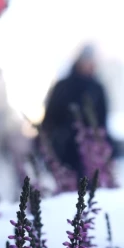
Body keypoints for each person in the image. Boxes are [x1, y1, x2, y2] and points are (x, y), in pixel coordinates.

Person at [39, 45, 109, 180]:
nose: (89, 65)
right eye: (87, 61)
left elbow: (103, 121)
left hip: (92, 151)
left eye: (92, 61)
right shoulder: (62, 86)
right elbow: (50, 117)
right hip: (65, 149)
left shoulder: (97, 88)